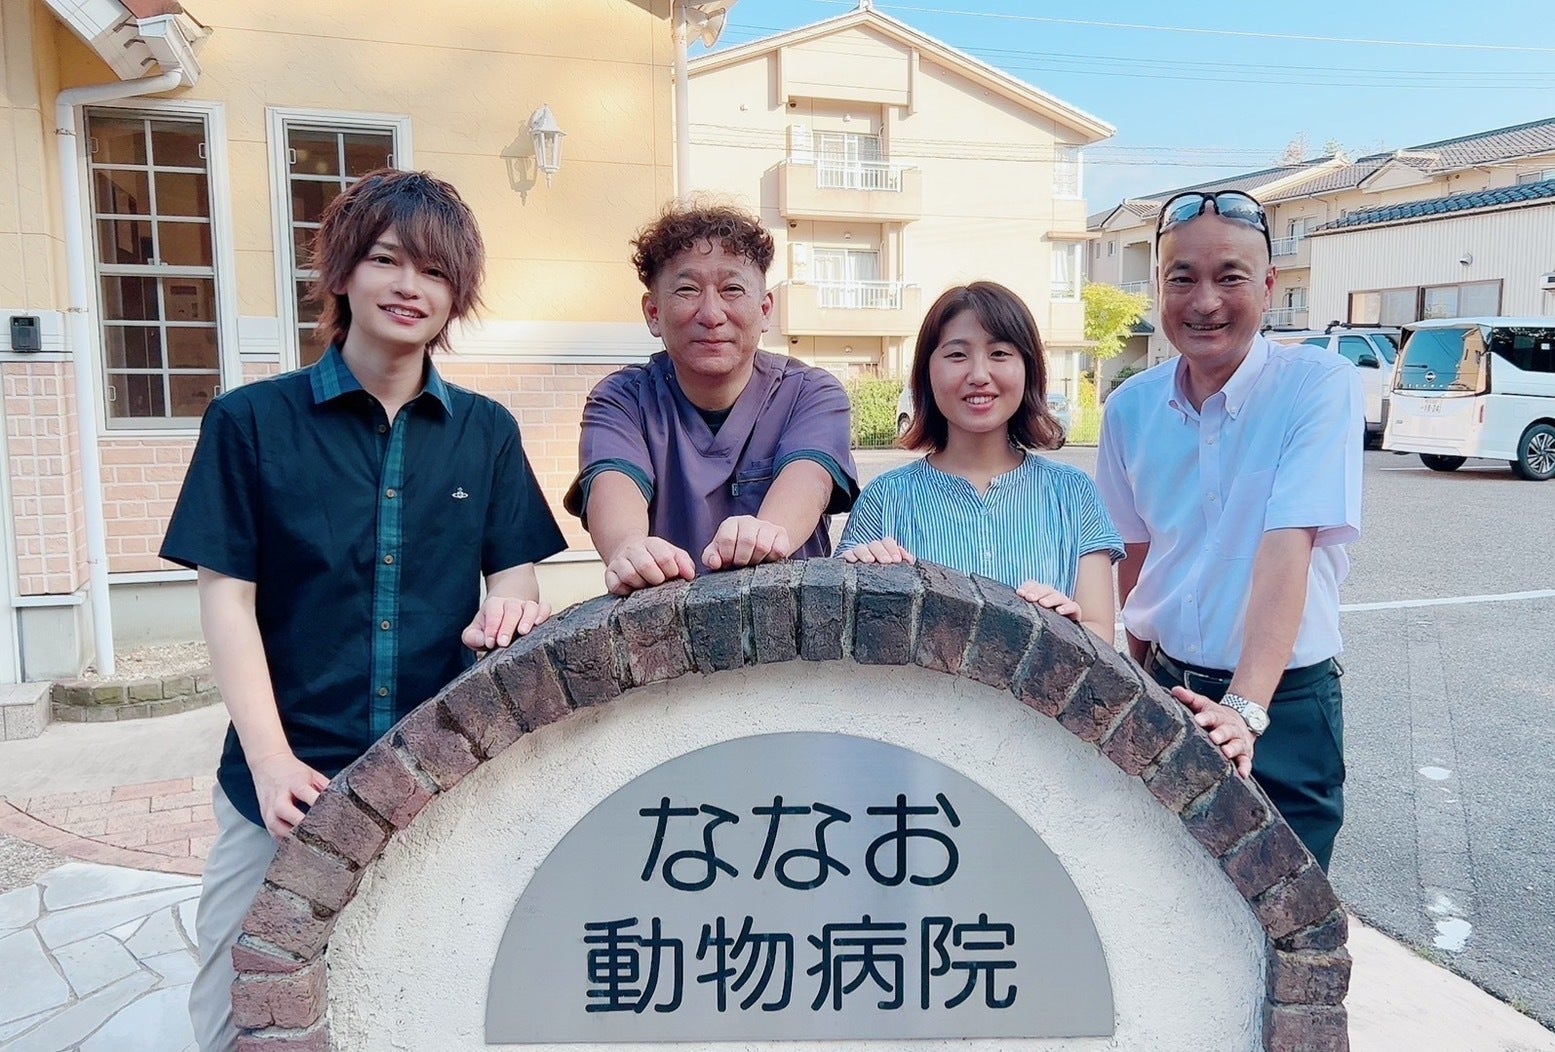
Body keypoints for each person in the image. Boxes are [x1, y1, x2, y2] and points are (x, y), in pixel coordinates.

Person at [160, 169, 567, 1051]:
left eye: (435, 270)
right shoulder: (249, 422)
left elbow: (515, 574)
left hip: (434, 776)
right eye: (386, 259)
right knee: (235, 1005)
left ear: (457, 294)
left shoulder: (486, 432)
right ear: (342, 273)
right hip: (283, 780)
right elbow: (226, 598)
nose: (409, 285)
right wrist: (270, 763)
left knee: (423, 986)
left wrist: (509, 607)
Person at [1094, 189, 1363, 870]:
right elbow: (1135, 559)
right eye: (1181, 278)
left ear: (1268, 287)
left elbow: (1287, 546)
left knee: (1288, 905)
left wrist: (1245, 709)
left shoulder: (1318, 385)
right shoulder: (1129, 409)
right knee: (1167, 896)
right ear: (1159, 287)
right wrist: (1135, 679)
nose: (1204, 301)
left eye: (1230, 277)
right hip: (1170, 687)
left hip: (1283, 705)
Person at [564, 202, 857, 595]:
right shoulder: (621, 400)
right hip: (664, 623)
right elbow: (613, 482)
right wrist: (628, 548)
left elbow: (810, 479)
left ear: (765, 309)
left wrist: (766, 532)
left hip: (790, 623)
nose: (712, 314)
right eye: (687, 290)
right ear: (653, 312)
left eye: (732, 289)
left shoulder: (811, 393)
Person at [837, 282, 1121, 640]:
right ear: (926, 372)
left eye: (1000, 353)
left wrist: (1063, 627)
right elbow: (844, 635)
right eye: (957, 355)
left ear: (1029, 368)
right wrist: (863, 577)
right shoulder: (885, 498)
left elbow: (1100, 634)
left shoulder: (1074, 493)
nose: (979, 375)